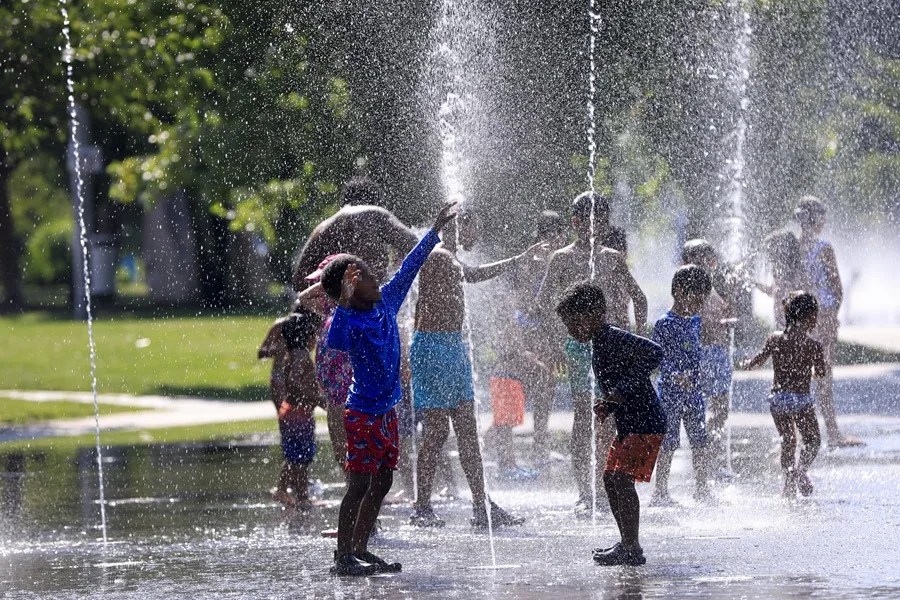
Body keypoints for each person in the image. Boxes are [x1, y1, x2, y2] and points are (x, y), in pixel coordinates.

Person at [321, 201, 458, 576]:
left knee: (382, 481)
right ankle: (342, 556)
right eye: (366, 277)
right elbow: (336, 343)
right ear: (350, 291)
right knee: (358, 484)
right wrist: (343, 304)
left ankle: (361, 548)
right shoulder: (349, 320)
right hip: (362, 414)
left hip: (386, 412)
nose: (375, 278)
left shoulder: (387, 301)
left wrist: (434, 231)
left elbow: (410, 266)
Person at [410, 208, 539, 528]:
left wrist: (516, 260)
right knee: (437, 430)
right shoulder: (440, 257)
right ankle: (422, 507)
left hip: (452, 347)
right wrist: (517, 260)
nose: (477, 235)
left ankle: (482, 506)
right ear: (458, 226)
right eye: (473, 229)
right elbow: (471, 273)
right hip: (434, 348)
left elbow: (470, 273)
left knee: (468, 431)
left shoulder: (449, 258)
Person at [534, 191, 648, 514]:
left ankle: (603, 486)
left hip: (610, 347)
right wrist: (555, 342)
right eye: (587, 220)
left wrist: (636, 340)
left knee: (608, 418)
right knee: (584, 415)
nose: (593, 226)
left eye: (600, 220)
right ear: (575, 222)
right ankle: (585, 492)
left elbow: (639, 298)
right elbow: (543, 304)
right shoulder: (562, 258)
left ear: (606, 223)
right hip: (578, 347)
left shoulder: (613, 258)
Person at [556, 282, 665, 566]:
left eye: (574, 323)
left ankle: (632, 547)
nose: (571, 330)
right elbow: (619, 381)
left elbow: (655, 352)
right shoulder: (599, 343)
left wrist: (621, 391)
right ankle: (626, 542)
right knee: (610, 478)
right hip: (630, 423)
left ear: (594, 314)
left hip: (646, 421)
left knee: (621, 479)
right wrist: (609, 404)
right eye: (568, 325)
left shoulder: (613, 336)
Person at [743, 292, 824, 497]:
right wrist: (811, 371)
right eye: (815, 316)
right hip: (802, 400)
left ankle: (788, 484)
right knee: (813, 440)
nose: (816, 320)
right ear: (809, 317)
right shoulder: (813, 346)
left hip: (779, 400)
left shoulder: (775, 339)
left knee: (788, 441)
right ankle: (801, 471)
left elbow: (759, 359)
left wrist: (747, 364)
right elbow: (821, 373)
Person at [795, 196, 861, 447]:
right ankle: (832, 433)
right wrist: (832, 317)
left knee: (798, 375)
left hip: (798, 319)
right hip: (822, 316)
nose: (824, 222)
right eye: (822, 217)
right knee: (823, 375)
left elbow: (787, 285)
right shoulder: (823, 248)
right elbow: (837, 288)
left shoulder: (793, 248)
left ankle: (795, 436)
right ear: (816, 219)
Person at [651, 264, 713, 505]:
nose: (698, 306)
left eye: (701, 302)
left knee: (700, 440)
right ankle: (660, 492)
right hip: (670, 393)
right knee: (668, 443)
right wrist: (675, 375)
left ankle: (702, 488)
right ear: (678, 291)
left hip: (694, 393)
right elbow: (657, 358)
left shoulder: (695, 321)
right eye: (695, 300)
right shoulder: (664, 324)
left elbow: (696, 351)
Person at [291, 177, 420, 293]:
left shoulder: (322, 228)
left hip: (337, 303)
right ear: (375, 202)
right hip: (371, 302)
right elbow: (419, 247)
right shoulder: (375, 214)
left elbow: (299, 281)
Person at [257, 309, 323, 509]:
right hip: (298, 415)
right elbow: (294, 383)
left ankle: (281, 489)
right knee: (301, 458)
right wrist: (317, 399)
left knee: (294, 456)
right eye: (314, 335)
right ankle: (302, 498)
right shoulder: (301, 356)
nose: (316, 340)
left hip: (294, 413)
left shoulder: (291, 355)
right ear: (307, 337)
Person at [682, 240, 733, 475]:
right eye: (700, 257)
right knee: (699, 409)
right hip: (700, 355)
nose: (708, 262)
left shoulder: (711, 286)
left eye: (708, 257)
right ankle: (704, 459)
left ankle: (711, 453)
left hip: (717, 353)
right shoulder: (687, 288)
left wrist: (727, 309)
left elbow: (721, 313)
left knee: (721, 408)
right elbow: (690, 321)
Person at [757, 230, 806, 327]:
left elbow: (782, 293)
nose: (770, 258)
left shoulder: (795, 276)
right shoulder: (782, 275)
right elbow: (772, 291)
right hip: (783, 325)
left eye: (772, 251)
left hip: (791, 326)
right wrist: (753, 283)